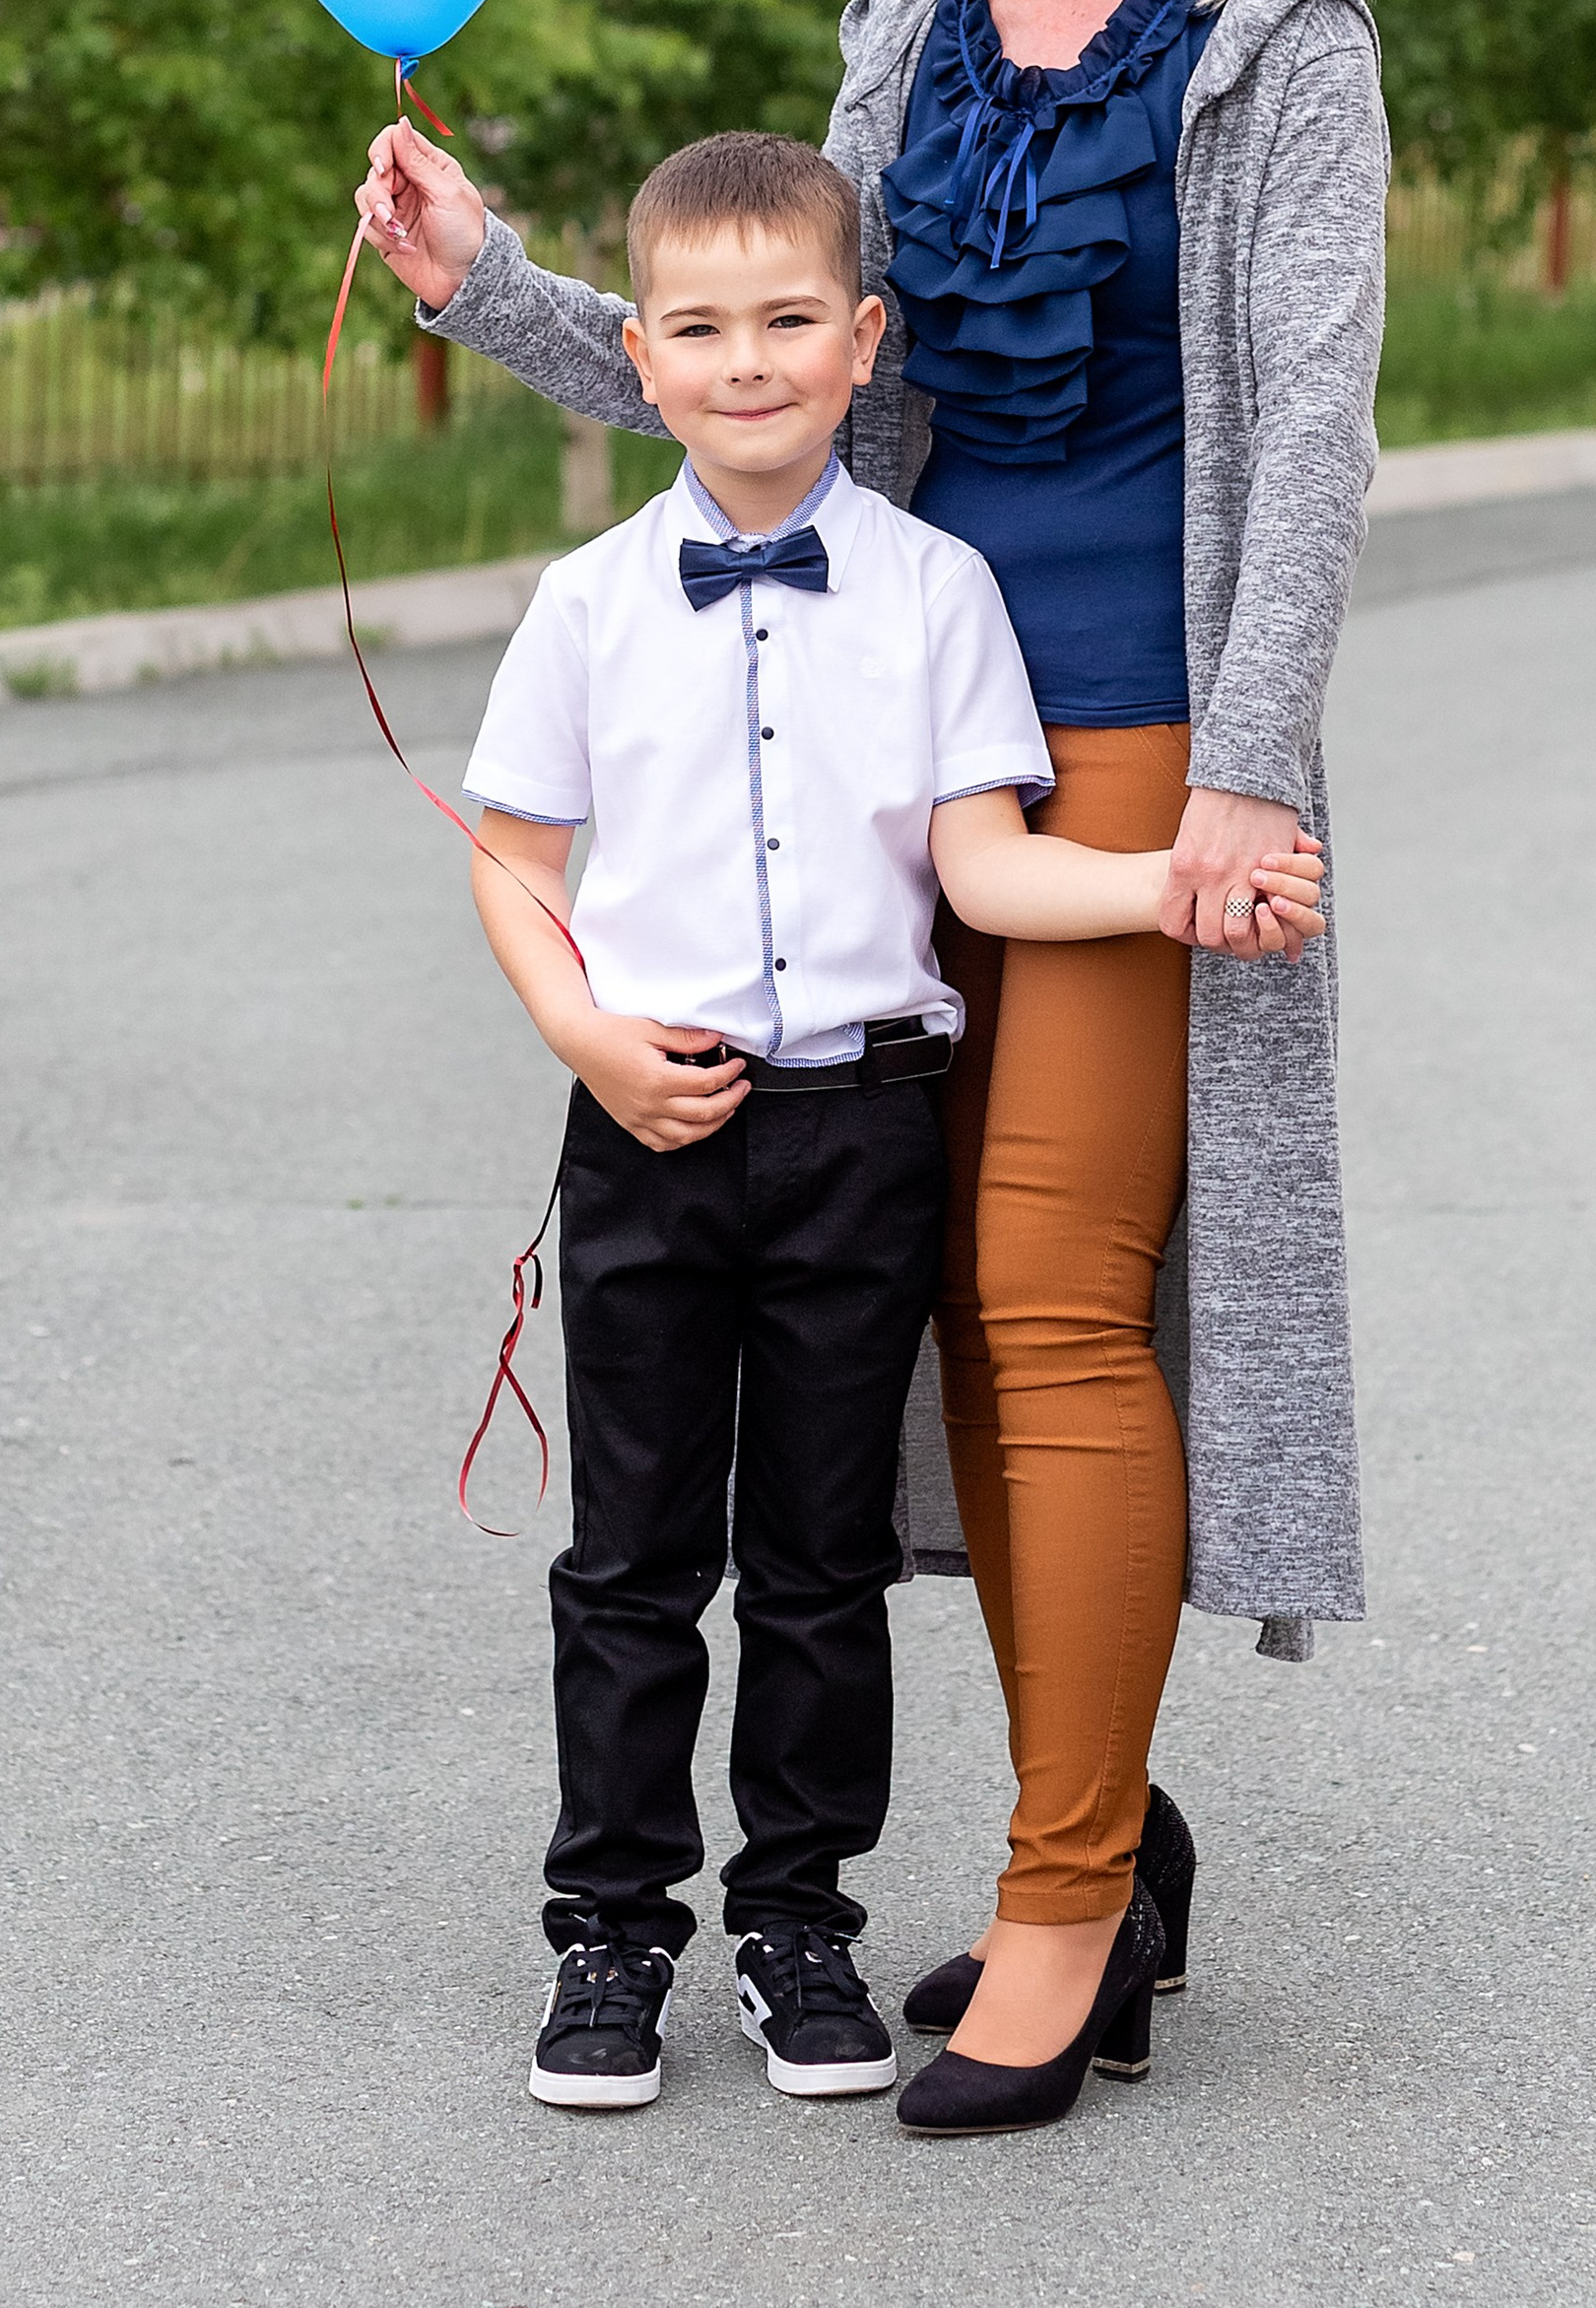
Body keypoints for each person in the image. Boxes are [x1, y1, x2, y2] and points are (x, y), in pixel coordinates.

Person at [361, 0, 1385, 2140]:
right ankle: (1112, 1828)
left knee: (1050, 1294)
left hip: (1138, 742)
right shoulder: (911, 38)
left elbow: (1313, 435)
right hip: (896, 730)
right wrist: (496, 283)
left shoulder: (1282, 54)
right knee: (939, 1314)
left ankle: (1056, 1906)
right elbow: (771, 351)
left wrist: (1249, 766)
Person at [459, 127, 1325, 2117]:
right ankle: (607, 1931)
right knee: (631, 1556)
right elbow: (511, 860)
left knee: (820, 1558)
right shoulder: (587, 602)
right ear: (640, 352)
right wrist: (585, 1038)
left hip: (862, 1134)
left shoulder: (940, 596)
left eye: (784, 322)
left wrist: (1171, 890)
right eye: (694, 328)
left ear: (865, 344)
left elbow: (991, 873)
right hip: (648, 1136)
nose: (740, 361)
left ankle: (794, 1921)